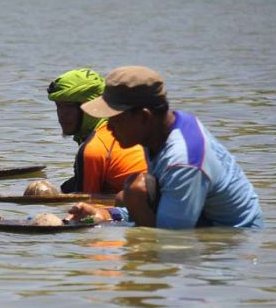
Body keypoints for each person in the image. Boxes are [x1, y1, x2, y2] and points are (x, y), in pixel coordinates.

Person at [65, 66, 263, 229]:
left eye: (115, 119)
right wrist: (104, 214)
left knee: (135, 191)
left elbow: (170, 243)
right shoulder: (161, 132)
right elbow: (162, 206)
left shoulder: (183, 161)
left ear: (144, 117)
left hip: (231, 244)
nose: (109, 127)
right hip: (196, 222)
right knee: (129, 195)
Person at [47, 68, 146, 194]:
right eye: (58, 106)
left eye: (68, 106)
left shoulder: (92, 149)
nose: (61, 115)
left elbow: (86, 207)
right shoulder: (128, 129)